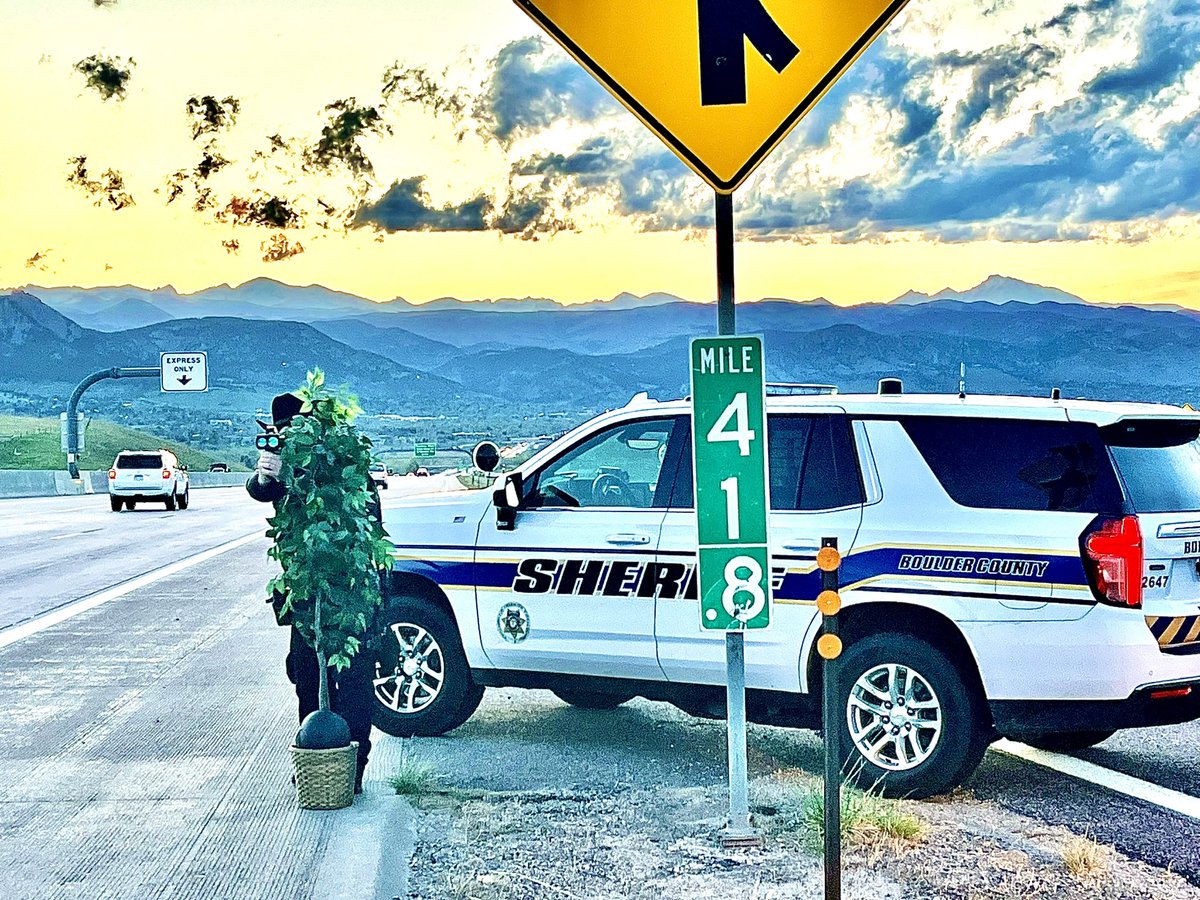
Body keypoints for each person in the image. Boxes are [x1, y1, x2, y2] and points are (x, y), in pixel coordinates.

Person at [247, 391, 381, 793]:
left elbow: (367, 529)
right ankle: (319, 757)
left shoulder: (344, 467)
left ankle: (352, 763)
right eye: (283, 433)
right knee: (306, 677)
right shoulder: (290, 471)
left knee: (354, 679)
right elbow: (260, 491)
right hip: (306, 596)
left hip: (351, 594)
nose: (288, 439)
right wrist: (267, 475)